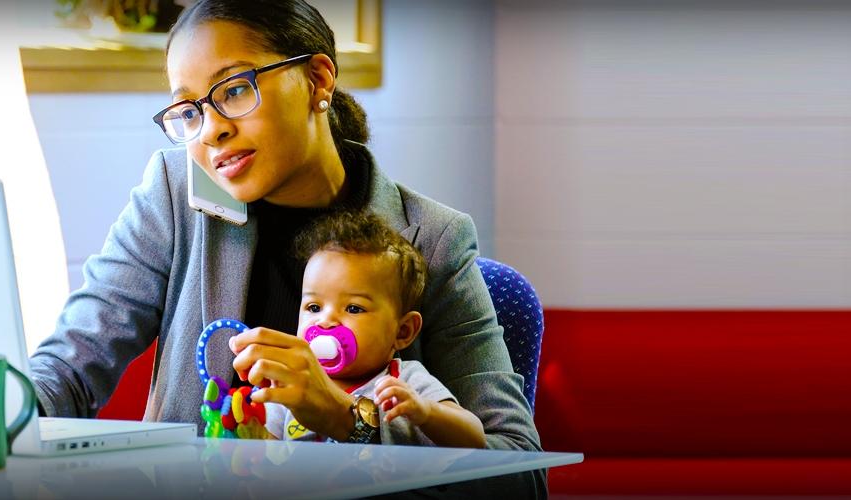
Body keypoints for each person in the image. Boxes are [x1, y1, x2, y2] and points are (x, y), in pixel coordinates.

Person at [27, 0, 542, 494]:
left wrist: (349, 421)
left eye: (233, 89)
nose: (213, 130)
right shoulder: (177, 191)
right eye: (189, 109)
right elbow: (70, 368)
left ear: (318, 79)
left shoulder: (433, 238)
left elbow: (519, 473)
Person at [258, 211, 486, 448]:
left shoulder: (402, 383)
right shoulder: (292, 382)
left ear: (403, 332)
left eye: (354, 309)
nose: (325, 321)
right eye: (314, 307)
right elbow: (261, 456)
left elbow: (475, 439)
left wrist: (426, 412)